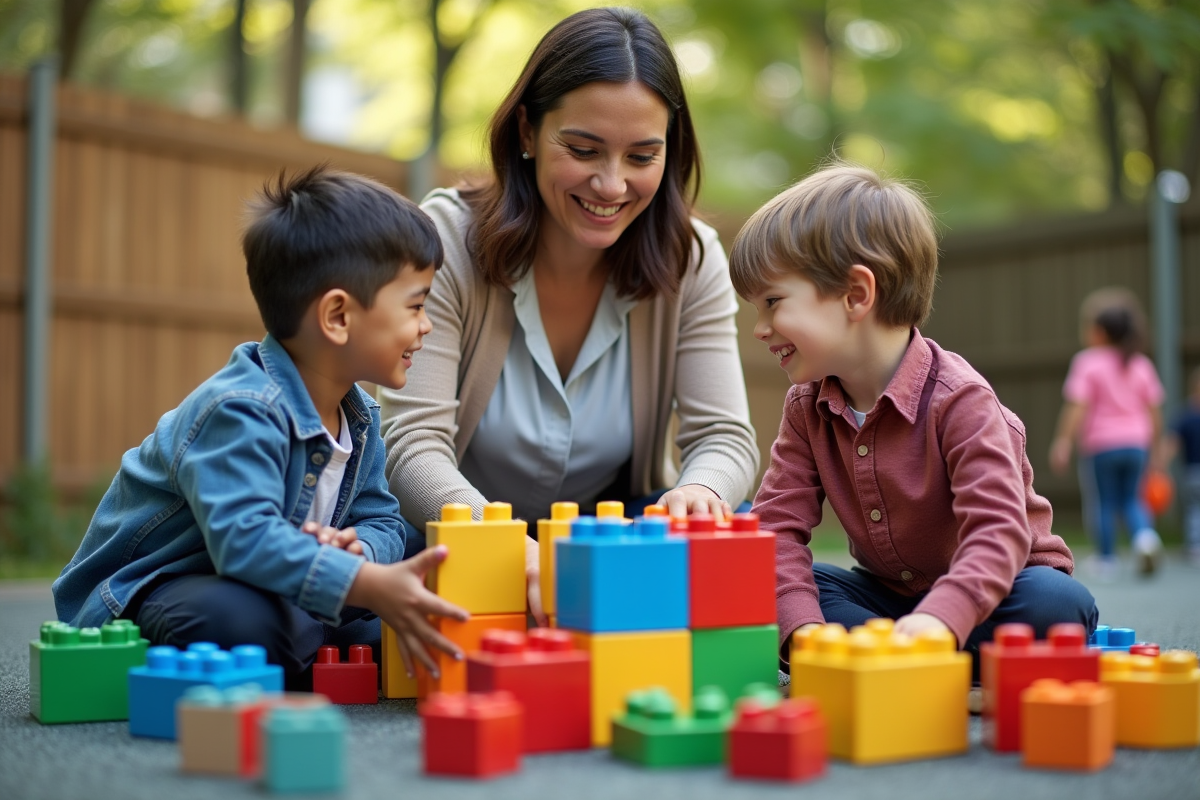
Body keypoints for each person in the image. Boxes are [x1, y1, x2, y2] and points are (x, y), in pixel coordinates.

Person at [380, 7, 758, 625]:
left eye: (642, 157)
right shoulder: (444, 237)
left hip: (605, 538)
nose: (611, 185)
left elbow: (724, 438)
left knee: (732, 532)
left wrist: (703, 492)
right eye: (583, 149)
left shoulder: (692, 259)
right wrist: (503, 547)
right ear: (527, 131)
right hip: (454, 529)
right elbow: (411, 448)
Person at [52, 166, 468, 683]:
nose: (426, 325)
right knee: (240, 621)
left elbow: (383, 519)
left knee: (425, 550)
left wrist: (360, 549)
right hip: (169, 587)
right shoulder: (240, 408)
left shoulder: (360, 418)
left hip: (285, 589)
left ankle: (321, 635)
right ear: (338, 316)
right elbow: (245, 541)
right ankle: (318, 636)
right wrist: (362, 583)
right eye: (416, 305)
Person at [729, 163, 1097, 684]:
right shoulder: (805, 408)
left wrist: (939, 619)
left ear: (856, 294)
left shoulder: (961, 401)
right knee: (767, 580)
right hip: (890, 601)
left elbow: (997, 532)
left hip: (997, 590)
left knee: (1057, 603)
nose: (760, 328)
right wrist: (805, 631)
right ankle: (903, 658)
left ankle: (905, 657)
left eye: (772, 303)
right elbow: (776, 530)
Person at [1050, 287, 1164, 578]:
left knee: (1104, 501)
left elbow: (1077, 407)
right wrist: (1156, 445)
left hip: (1101, 446)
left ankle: (1107, 557)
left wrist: (1063, 441)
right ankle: (1145, 539)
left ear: (1099, 332)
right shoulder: (1140, 364)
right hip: (1136, 444)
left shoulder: (1088, 362)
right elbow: (1153, 410)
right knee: (1132, 498)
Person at [1165, 366, 1200, 566]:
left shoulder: (1186, 415)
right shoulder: (1186, 416)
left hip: (1192, 473)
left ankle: (1195, 545)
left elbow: (1172, 443)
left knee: (1194, 509)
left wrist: (1162, 461)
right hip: (1192, 472)